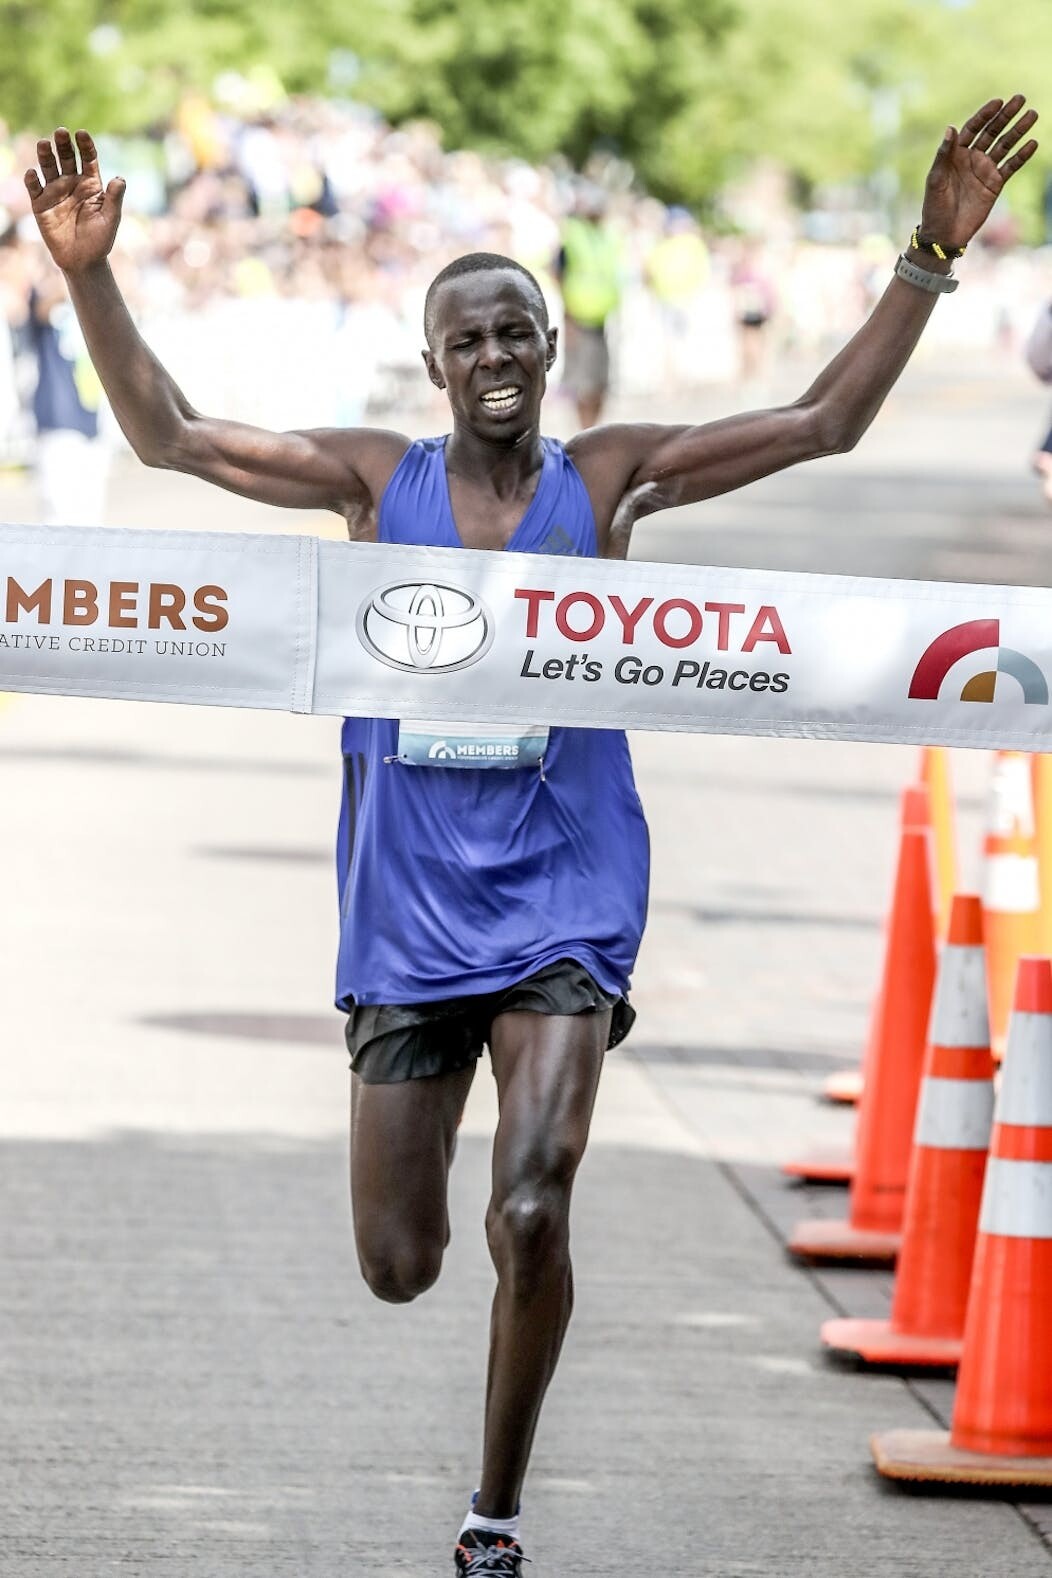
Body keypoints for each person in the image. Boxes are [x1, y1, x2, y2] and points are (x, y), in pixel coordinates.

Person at [25, 98, 1037, 1574]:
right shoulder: (375, 484)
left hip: (567, 886)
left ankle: (492, 1513)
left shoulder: (606, 480)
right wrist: (93, 275)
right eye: (468, 340)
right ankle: (460, 1337)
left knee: (531, 1199)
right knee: (400, 1261)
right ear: (432, 365)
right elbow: (173, 437)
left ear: (551, 349)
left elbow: (819, 421)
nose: (495, 357)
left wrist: (927, 256)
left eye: (516, 333)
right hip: (409, 902)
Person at [553, 185, 623, 428]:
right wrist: (568, 317)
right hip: (579, 318)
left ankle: (592, 430)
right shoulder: (573, 236)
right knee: (584, 384)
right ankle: (585, 432)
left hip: (601, 319)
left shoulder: (604, 236)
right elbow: (559, 273)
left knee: (601, 383)